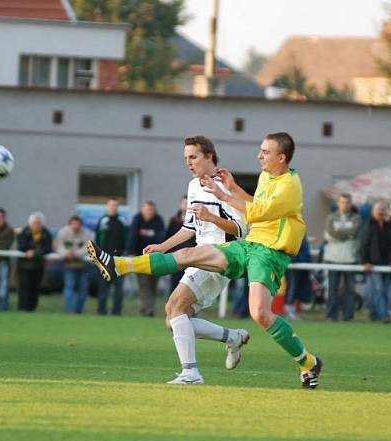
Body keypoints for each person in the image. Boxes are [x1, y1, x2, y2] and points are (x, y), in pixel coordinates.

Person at [88, 132, 324, 389]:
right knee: (180, 285)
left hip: (269, 253)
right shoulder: (265, 176)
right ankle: (119, 265)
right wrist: (232, 189)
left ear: (281, 157)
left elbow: (256, 213)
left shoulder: (289, 186)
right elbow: (253, 204)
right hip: (248, 246)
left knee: (259, 314)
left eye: (265, 152)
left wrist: (224, 194)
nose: (259, 156)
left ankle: (308, 362)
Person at [137, 135, 248, 384]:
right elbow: (190, 228)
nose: (189, 162)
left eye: (193, 156)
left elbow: (242, 230)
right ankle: (232, 337)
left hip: (220, 257)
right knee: (173, 319)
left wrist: (212, 217)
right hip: (198, 254)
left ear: (210, 156)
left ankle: (191, 373)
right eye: (186, 158)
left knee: (175, 307)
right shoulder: (193, 185)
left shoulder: (226, 186)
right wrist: (162, 247)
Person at [323, 193, 361, 321]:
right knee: (332, 289)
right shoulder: (330, 217)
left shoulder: (356, 218)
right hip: (332, 259)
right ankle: (331, 316)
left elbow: (354, 231)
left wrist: (340, 233)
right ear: (338, 203)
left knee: (350, 290)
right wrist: (346, 234)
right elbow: (332, 232)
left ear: (351, 204)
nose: (345, 204)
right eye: (342, 202)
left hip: (350, 259)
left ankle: (348, 316)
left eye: (347, 202)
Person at [127, 200, 165, 316]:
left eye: (151, 210)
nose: (149, 212)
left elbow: (161, 237)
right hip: (140, 257)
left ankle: (149, 308)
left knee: (153, 285)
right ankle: (147, 309)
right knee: (143, 284)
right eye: (147, 210)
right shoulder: (137, 220)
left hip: (155, 258)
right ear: (143, 210)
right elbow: (132, 237)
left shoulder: (158, 221)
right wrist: (131, 253)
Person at [361, 202, 391, 322]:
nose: (380, 212)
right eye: (378, 209)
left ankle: (376, 314)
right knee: (379, 290)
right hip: (373, 265)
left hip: (387, 265)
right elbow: (364, 245)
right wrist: (365, 261)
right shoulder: (368, 225)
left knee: (386, 291)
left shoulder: (390, 226)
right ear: (373, 212)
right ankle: (383, 315)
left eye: (382, 209)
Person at [55, 215, 93, 314]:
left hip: (83, 265)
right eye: (73, 224)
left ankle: (79, 310)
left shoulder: (87, 233)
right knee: (69, 287)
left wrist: (74, 253)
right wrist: (65, 253)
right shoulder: (63, 232)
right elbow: (59, 246)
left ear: (81, 225)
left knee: (83, 289)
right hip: (69, 264)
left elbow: (88, 248)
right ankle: (70, 310)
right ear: (69, 224)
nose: (75, 226)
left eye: (78, 224)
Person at [95, 199, 127, 315]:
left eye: (115, 205)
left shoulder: (122, 221)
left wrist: (125, 252)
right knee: (103, 287)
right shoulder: (103, 221)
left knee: (118, 288)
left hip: (120, 259)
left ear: (118, 207)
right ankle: (101, 310)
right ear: (107, 207)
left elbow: (127, 238)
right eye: (111, 205)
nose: (113, 207)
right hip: (105, 259)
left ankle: (116, 311)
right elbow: (97, 239)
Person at [17, 211, 52, 312]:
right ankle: (22, 308)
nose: (37, 225)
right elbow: (21, 246)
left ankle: (32, 308)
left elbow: (47, 248)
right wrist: (28, 251)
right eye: (35, 223)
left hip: (38, 266)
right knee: (24, 287)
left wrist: (35, 252)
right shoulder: (23, 232)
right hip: (24, 266)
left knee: (35, 288)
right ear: (30, 223)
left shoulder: (46, 234)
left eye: (39, 223)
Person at [165, 195, 196, 291]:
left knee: (189, 288)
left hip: (192, 259)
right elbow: (168, 238)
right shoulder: (174, 221)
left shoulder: (197, 221)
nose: (186, 206)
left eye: (188, 203)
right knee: (174, 286)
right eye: (184, 203)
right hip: (176, 258)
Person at [284, 234, 312, 321]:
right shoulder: (290, 228)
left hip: (302, 262)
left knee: (298, 287)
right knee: (292, 287)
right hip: (293, 263)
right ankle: (289, 310)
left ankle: (292, 311)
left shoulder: (300, 228)